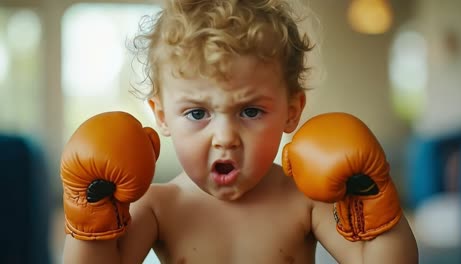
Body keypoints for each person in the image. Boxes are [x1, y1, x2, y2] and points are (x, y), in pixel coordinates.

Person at [62, 0, 419, 263]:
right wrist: (89, 212)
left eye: (250, 111)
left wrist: (374, 200)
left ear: (291, 112)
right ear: (162, 115)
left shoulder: (304, 202)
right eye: (197, 112)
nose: (225, 137)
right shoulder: (159, 207)